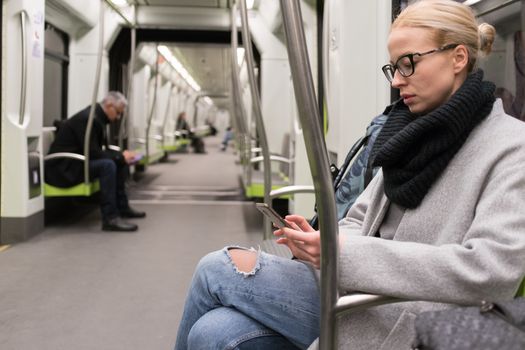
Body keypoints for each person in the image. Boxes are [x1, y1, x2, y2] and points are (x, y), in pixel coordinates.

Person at [174, 1, 525, 349]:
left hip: (410, 312)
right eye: (393, 68)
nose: (399, 80)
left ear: (458, 58)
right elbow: (360, 219)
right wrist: (322, 241)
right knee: (214, 331)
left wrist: (343, 253)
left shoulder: (511, 147)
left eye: (409, 64)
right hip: (357, 289)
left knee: (216, 269)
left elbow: (489, 272)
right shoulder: (409, 132)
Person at [45, 91, 146, 232]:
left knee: (119, 161)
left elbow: (94, 150)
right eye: (117, 113)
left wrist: (121, 156)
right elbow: (93, 153)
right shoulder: (88, 119)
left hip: (76, 162)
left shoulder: (96, 118)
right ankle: (110, 218)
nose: (117, 117)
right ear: (109, 105)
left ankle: (122, 208)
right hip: (64, 168)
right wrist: (119, 157)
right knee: (108, 165)